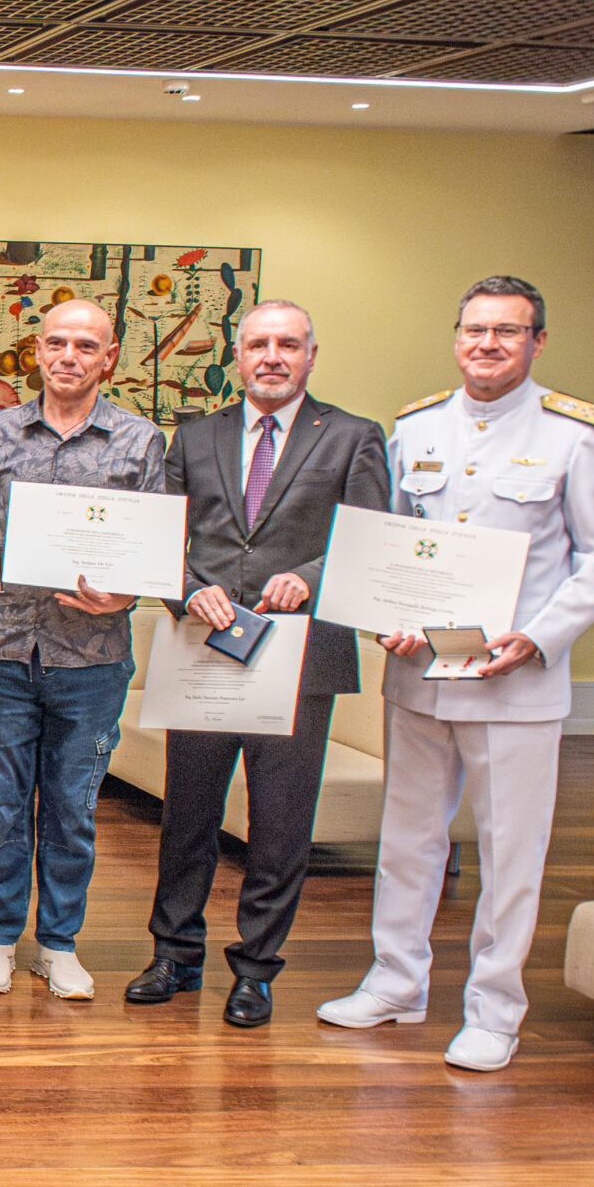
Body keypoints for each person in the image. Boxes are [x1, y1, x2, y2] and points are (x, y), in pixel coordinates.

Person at [319, 275, 594, 1071]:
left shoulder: (577, 433)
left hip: (513, 679)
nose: (487, 344)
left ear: (537, 341)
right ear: (456, 337)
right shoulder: (417, 425)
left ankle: (495, 1009)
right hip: (421, 674)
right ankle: (395, 981)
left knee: (509, 851)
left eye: (507, 331)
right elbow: (392, 543)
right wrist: (382, 613)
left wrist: (539, 635)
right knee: (408, 840)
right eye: (475, 329)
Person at [127, 302, 389, 1027]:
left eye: (288, 344)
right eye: (258, 345)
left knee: (278, 825)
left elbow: (371, 539)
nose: (272, 356)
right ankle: (174, 954)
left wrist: (311, 575)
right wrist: (187, 586)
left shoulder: (351, 436)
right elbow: (161, 536)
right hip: (204, 649)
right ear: (237, 357)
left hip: (298, 656)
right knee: (187, 816)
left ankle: (256, 971)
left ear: (310, 355)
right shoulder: (195, 436)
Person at [0, 297, 166, 1001]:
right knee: (2, 804)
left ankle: (60, 943)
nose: (70, 356)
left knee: (73, 807)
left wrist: (124, 597)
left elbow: (155, 547)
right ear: (38, 350)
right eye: (58, 343)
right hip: (1, 648)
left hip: (91, 657)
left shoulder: (141, 440)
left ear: (109, 356)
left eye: (85, 346)